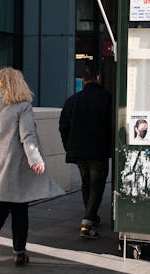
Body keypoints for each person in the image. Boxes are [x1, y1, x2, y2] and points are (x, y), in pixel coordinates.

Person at [0, 67, 65, 272]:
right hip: (14, 169)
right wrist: (35, 160)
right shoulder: (22, 107)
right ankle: (19, 253)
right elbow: (27, 137)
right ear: (18, 84)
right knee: (20, 210)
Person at [59, 64, 112, 239]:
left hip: (79, 150)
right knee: (97, 185)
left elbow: (63, 127)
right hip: (99, 149)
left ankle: (91, 217)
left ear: (83, 80)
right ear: (98, 77)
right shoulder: (107, 98)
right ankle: (87, 222)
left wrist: (69, 146)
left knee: (86, 183)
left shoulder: (72, 100)